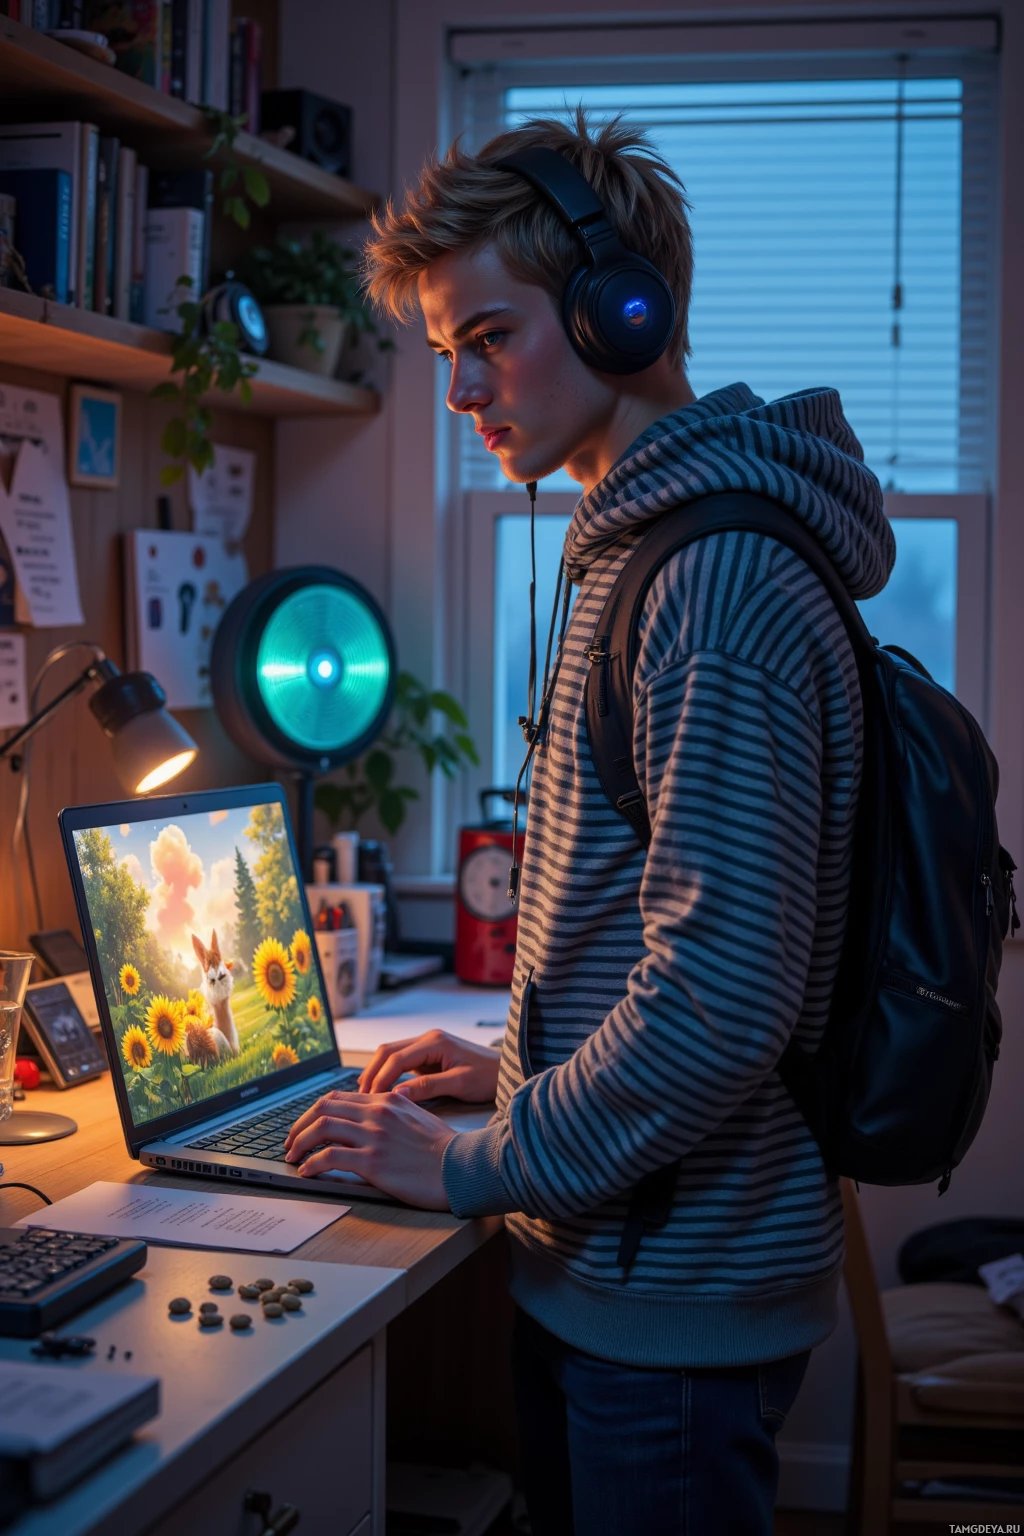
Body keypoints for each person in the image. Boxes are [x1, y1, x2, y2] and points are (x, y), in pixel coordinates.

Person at [283, 110, 894, 1534]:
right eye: (445, 352)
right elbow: (672, 930)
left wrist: (475, 1160)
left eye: (487, 337)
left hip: (672, 1295)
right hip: (628, 1261)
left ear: (623, 316)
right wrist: (510, 1066)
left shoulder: (714, 580)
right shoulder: (642, 545)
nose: (458, 391)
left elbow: (723, 1001)